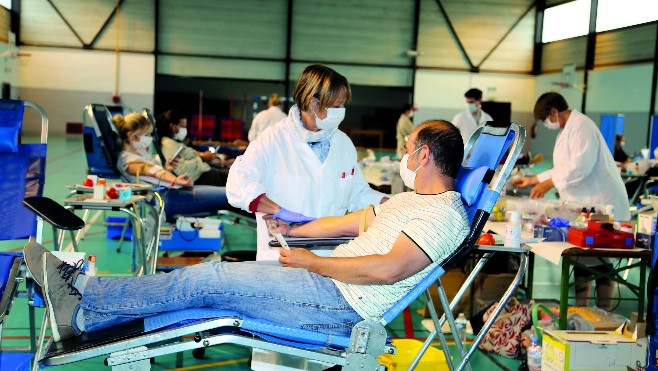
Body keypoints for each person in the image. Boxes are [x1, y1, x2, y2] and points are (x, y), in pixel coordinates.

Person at [23, 120, 469, 343]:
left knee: (210, 280)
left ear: (425, 155)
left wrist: (313, 259)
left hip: (341, 305)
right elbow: (349, 223)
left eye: (408, 149)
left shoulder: (445, 215)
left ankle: (87, 300)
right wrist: (293, 226)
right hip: (325, 284)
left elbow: (389, 270)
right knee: (206, 282)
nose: (403, 155)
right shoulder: (409, 200)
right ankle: (90, 307)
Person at [227, 64, 388, 261]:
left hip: (328, 258)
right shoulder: (273, 140)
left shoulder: (343, 143)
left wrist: (394, 204)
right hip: (282, 256)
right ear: (312, 103)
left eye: (343, 105)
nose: (342, 111)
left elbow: (358, 193)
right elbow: (238, 182)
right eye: (336, 106)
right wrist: (278, 211)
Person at [511, 92, 630, 310]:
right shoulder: (566, 132)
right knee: (583, 261)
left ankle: (604, 315)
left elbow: (579, 168)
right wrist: (533, 179)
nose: (547, 124)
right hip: (586, 205)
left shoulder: (582, 126)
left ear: (554, 112)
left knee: (603, 261)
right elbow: (562, 169)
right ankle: (581, 311)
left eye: (546, 119)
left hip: (603, 204)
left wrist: (548, 184)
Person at [112, 113, 230, 221]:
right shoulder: (127, 160)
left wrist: (167, 168)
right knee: (231, 195)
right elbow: (150, 171)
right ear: (132, 136)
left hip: (173, 194)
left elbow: (153, 173)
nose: (150, 138)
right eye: (147, 134)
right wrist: (175, 180)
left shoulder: (138, 154)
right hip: (167, 201)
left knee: (231, 194)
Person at [156, 110, 233, 187]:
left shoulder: (176, 143)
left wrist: (222, 162)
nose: (185, 130)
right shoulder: (169, 145)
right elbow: (180, 170)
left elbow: (195, 155)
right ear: (173, 126)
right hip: (200, 179)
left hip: (205, 174)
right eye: (183, 127)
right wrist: (202, 158)